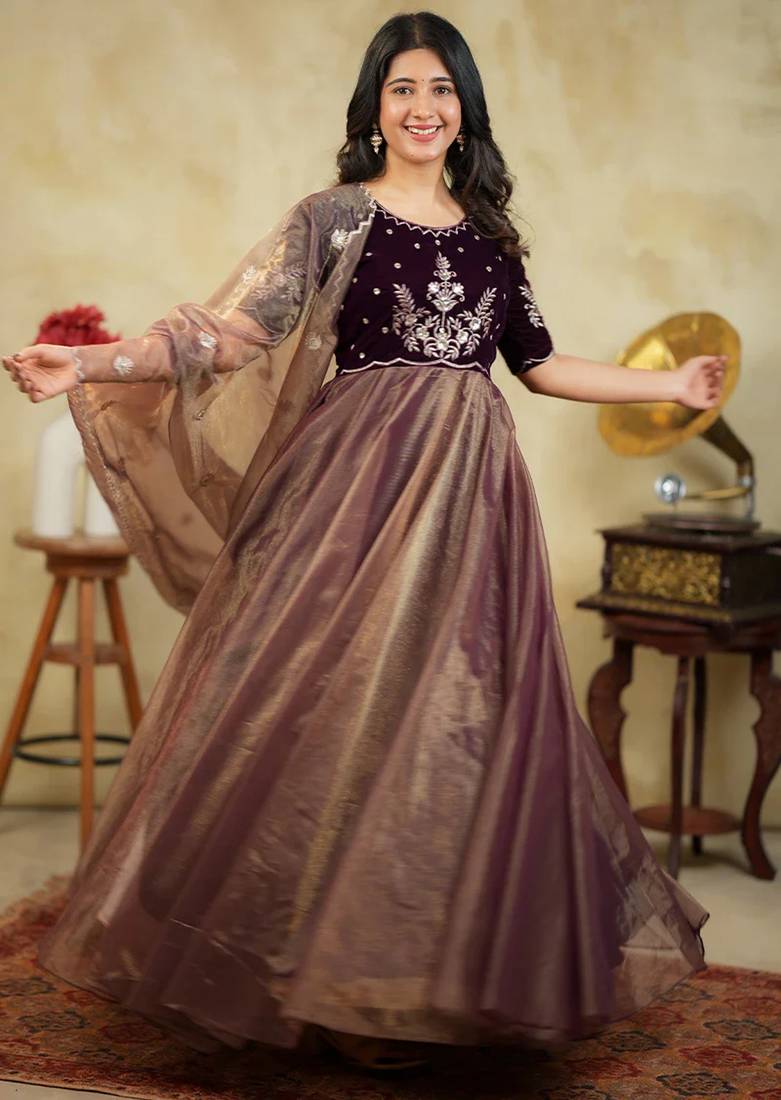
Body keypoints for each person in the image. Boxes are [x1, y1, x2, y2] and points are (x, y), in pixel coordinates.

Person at [4, 10, 721, 1074]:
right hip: (355, 496)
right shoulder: (333, 218)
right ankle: (309, 976)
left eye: (441, 89)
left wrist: (666, 383)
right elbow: (229, 335)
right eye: (402, 88)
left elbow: (538, 364)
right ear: (374, 108)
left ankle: (431, 984)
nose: (423, 108)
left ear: (465, 109)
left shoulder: (491, 236)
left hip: (472, 506)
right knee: (331, 706)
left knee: (456, 723)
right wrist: (96, 361)